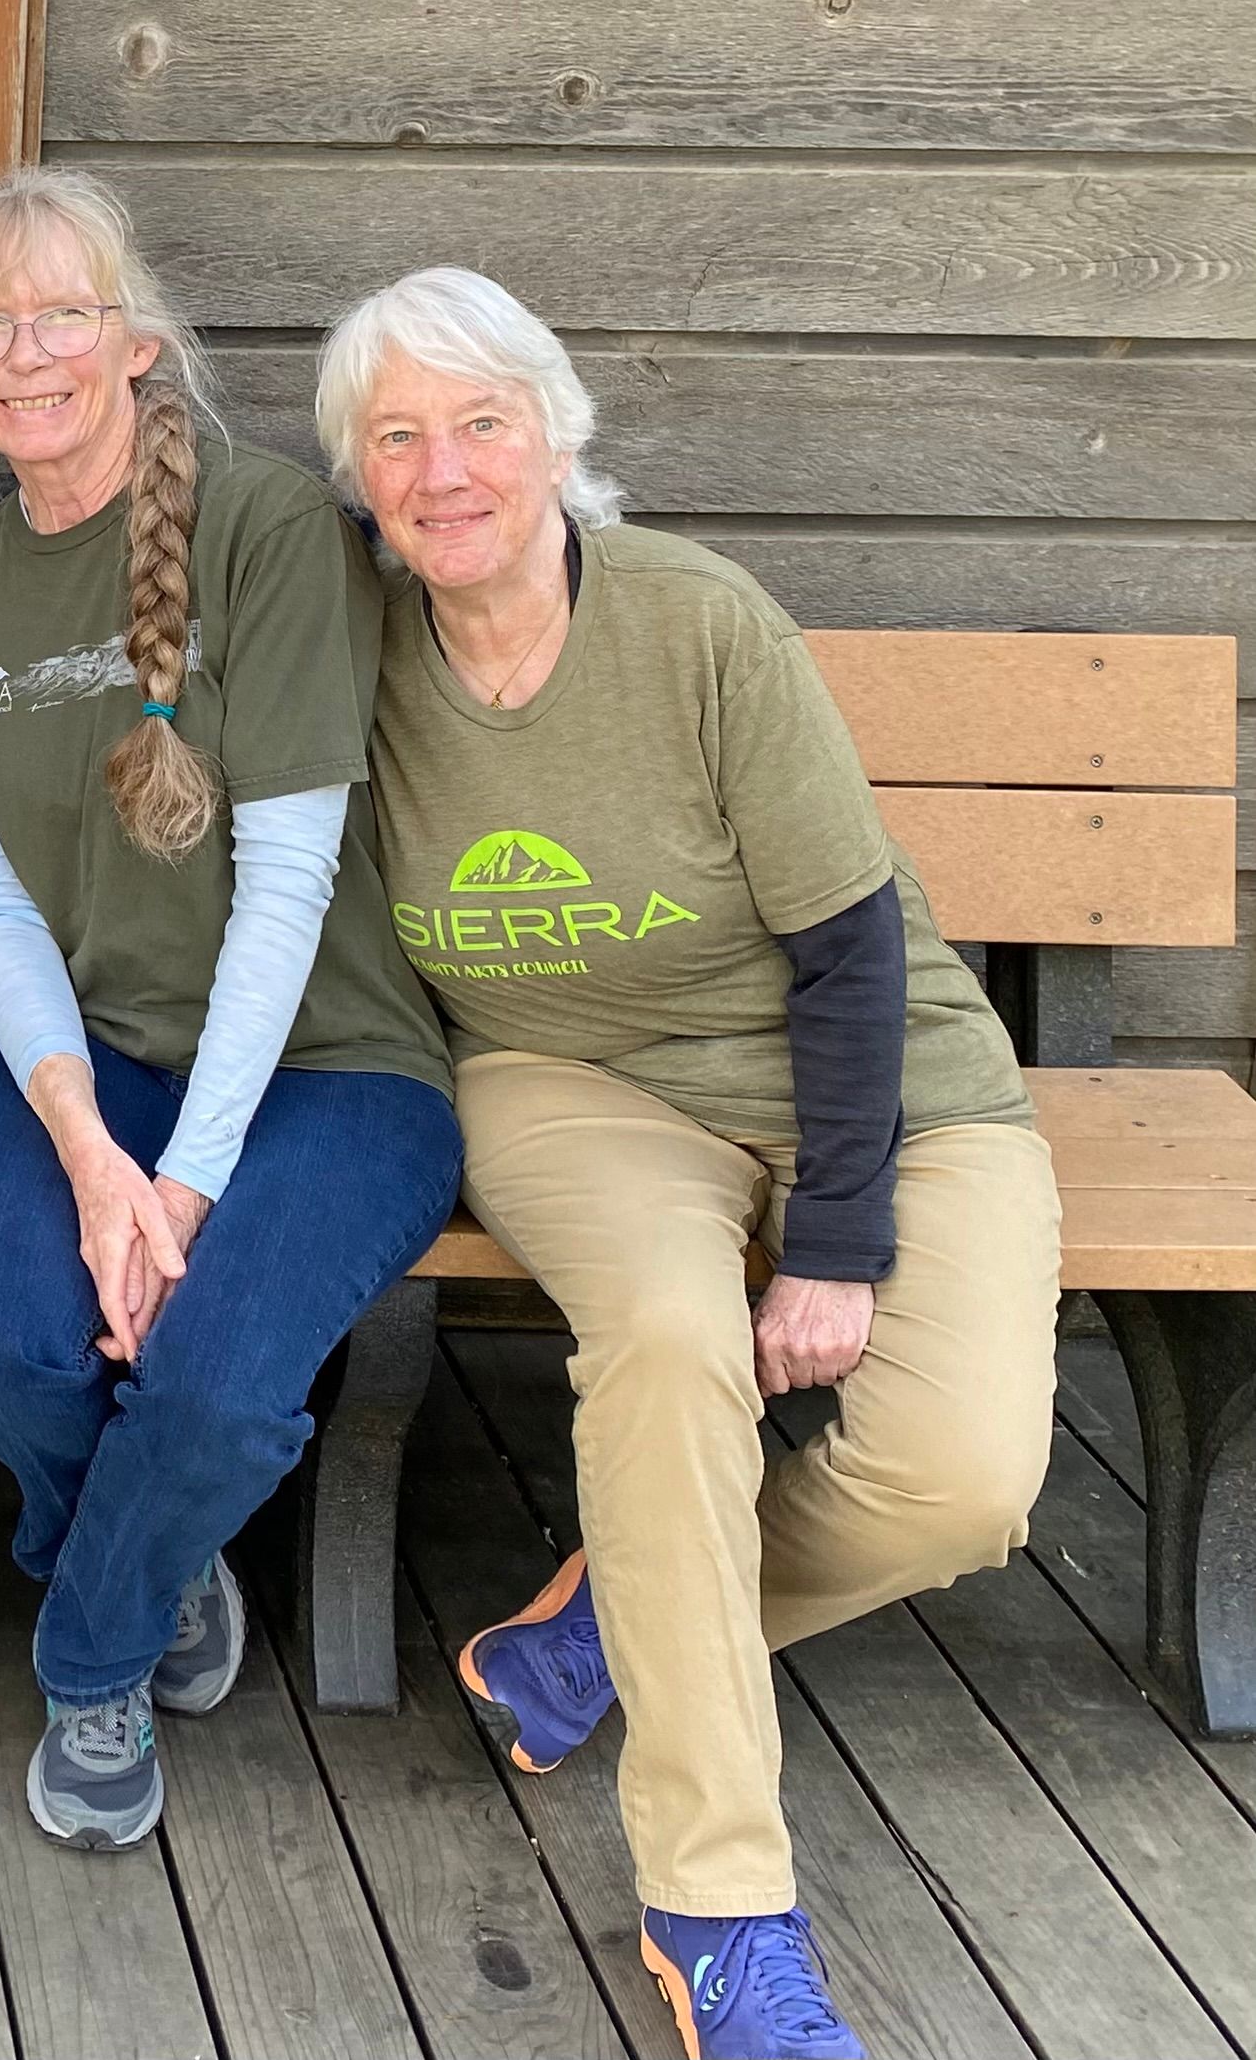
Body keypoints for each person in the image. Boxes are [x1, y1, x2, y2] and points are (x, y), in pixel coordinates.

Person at [318, 267, 1058, 2060]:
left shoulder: (699, 622)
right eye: (397, 435)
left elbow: (852, 948)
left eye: (481, 421)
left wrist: (841, 1236)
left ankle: (610, 1622)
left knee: (964, 1479)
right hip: (568, 1080)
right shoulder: (352, 649)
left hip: (881, 1077)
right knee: (665, 1335)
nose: (444, 468)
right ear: (358, 478)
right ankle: (719, 1908)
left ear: (558, 432)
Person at [0, 167, 460, 1856]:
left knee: (208, 1388)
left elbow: (287, 891)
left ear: (135, 342)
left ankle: (94, 1652)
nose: (24, 351)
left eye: (62, 313)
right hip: (91, 1055)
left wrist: (184, 1190)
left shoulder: (267, 527)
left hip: (331, 1064)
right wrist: (91, 1158)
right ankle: (159, 1549)